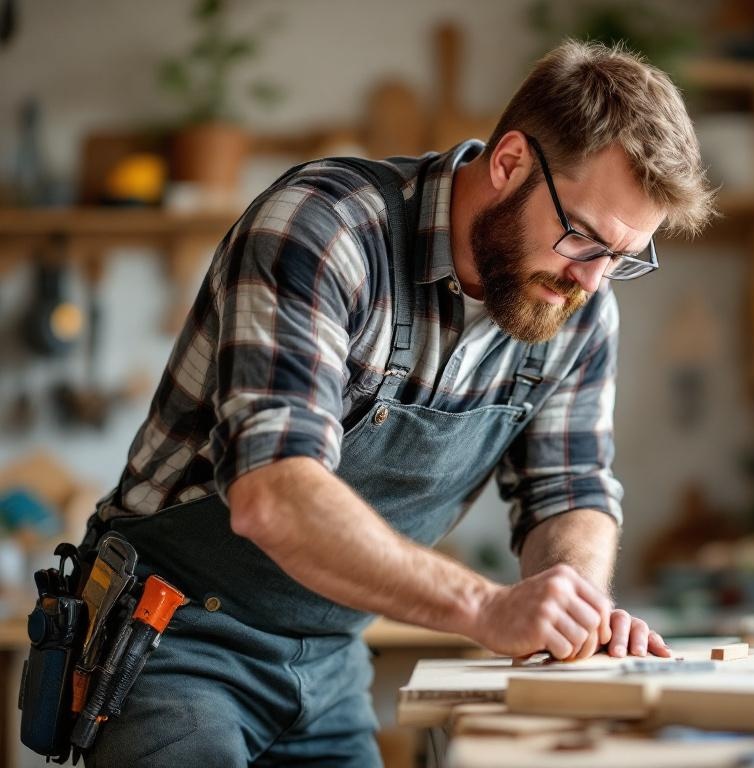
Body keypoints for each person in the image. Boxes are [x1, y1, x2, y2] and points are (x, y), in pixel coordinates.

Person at [84, 39, 714, 767]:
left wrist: (572, 599)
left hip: (328, 660)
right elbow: (274, 494)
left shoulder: (574, 302)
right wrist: (485, 608)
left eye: (623, 257)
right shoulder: (325, 230)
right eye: (583, 238)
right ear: (509, 164)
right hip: (171, 642)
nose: (594, 281)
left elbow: (567, 488)